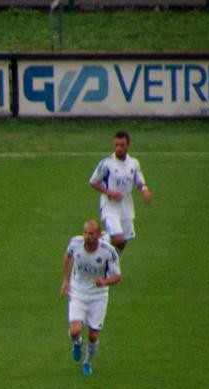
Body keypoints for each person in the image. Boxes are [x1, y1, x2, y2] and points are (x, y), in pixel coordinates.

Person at [60, 219, 121, 376]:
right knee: (74, 330)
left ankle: (87, 363)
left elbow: (117, 276)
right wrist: (65, 281)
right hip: (78, 291)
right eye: (85, 233)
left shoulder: (108, 252)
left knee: (93, 335)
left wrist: (104, 281)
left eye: (91, 233)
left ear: (99, 235)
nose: (87, 236)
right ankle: (77, 342)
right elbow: (67, 256)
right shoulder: (75, 243)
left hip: (98, 295)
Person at [88, 130, 152, 253]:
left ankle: (111, 266)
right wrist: (109, 192)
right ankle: (104, 237)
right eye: (116, 145)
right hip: (109, 207)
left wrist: (144, 190)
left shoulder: (134, 163)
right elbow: (93, 181)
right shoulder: (106, 163)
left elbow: (139, 180)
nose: (118, 148)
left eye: (122, 145)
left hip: (126, 207)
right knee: (118, 239)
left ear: (128, 146)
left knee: (123, 242)